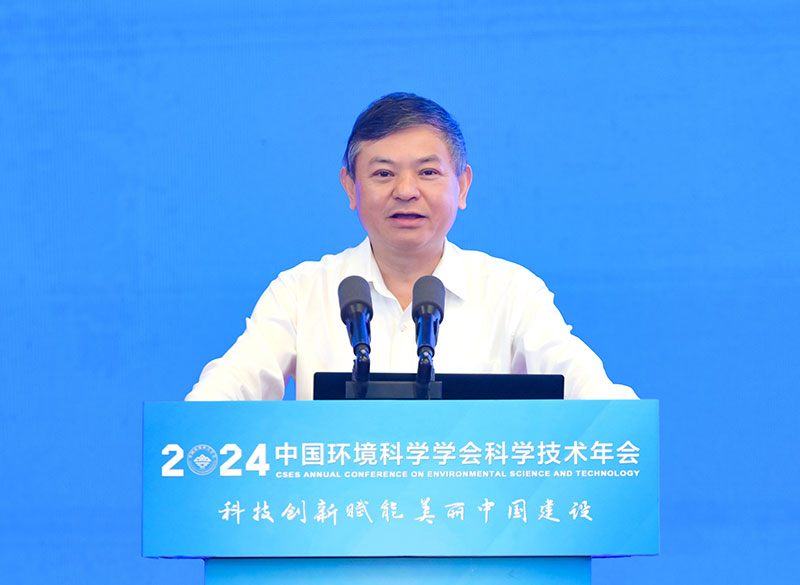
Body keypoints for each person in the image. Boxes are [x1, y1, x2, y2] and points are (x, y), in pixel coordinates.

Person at [186, 92, 637, 401]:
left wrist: (623, 428)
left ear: (462, 185)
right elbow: (232, 386)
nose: (405, 191)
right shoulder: (301, 292)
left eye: (428, 172)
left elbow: (582, 384)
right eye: (383, 174)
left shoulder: (511, 292)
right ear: (351, 186)